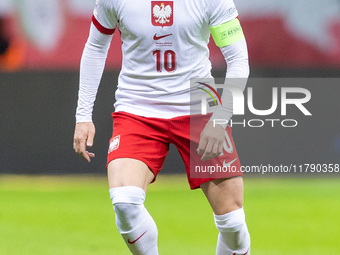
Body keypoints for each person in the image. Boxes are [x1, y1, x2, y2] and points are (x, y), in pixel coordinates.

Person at [73, 0, 251, 254]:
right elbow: (96, 47)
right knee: (124, 202)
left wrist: (221, 118)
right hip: (137, 109)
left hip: (198, 107)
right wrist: (83, 115)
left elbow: (238, 58)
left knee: (232, 222)